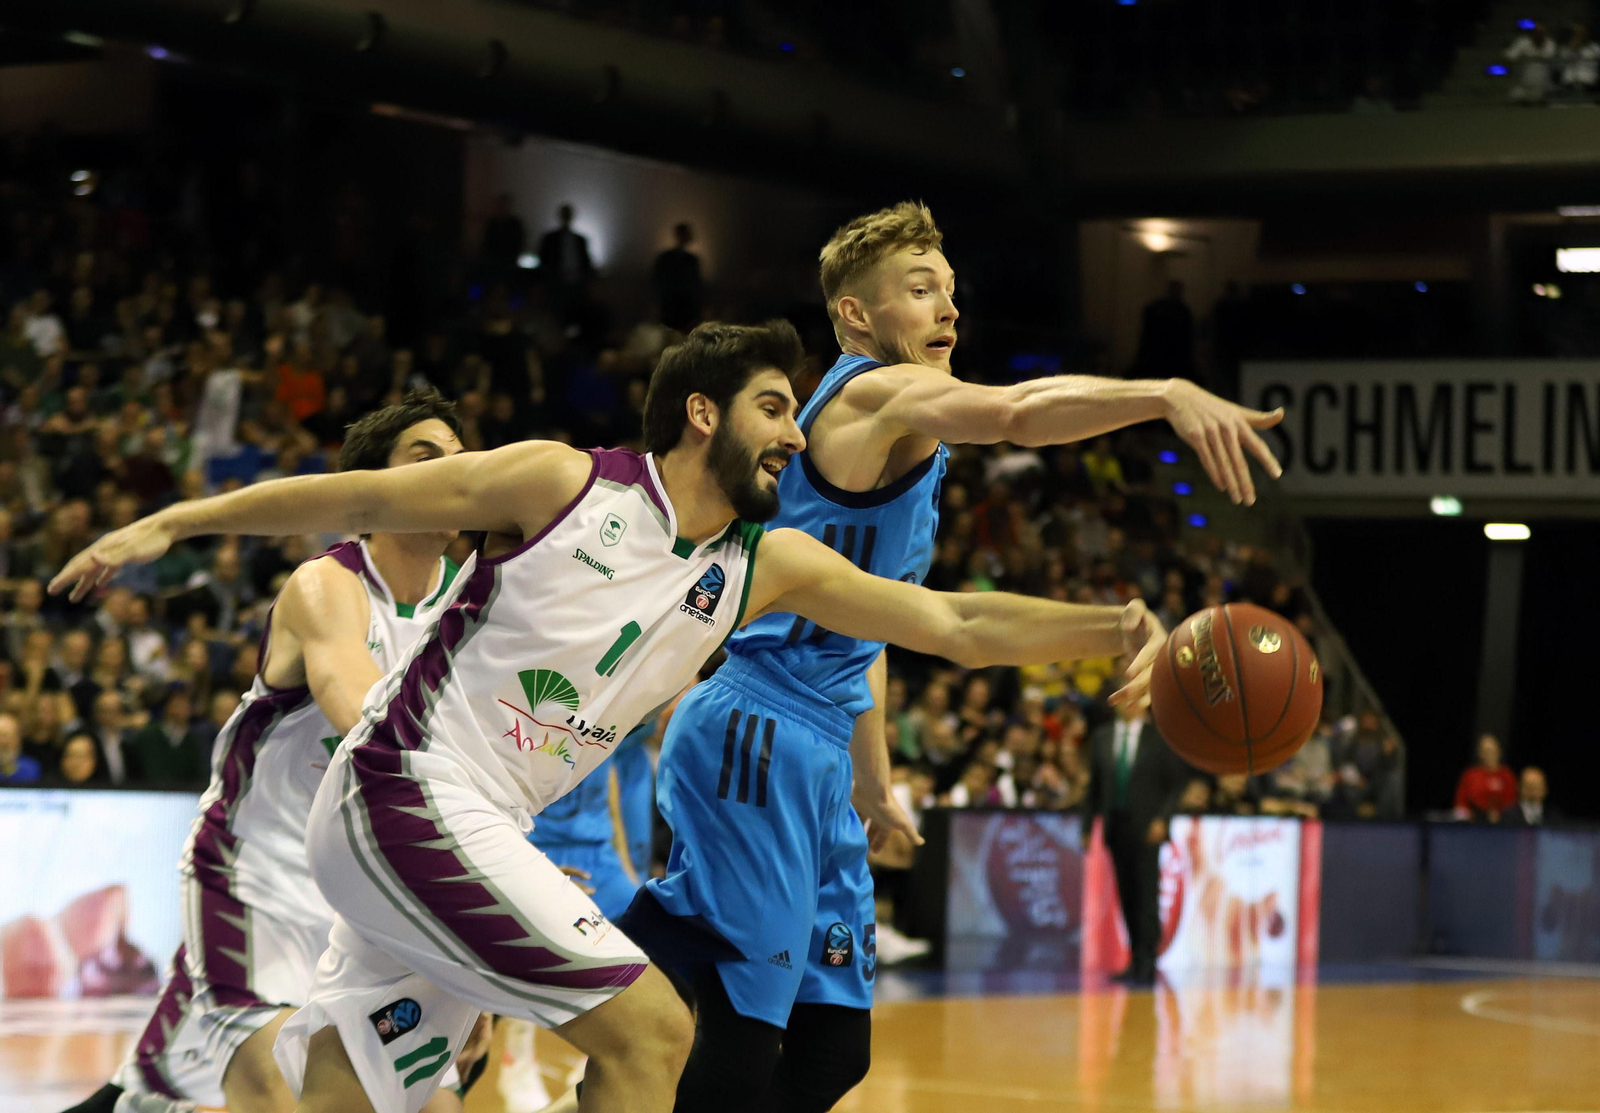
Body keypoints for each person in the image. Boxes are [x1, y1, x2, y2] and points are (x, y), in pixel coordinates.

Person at [51, 319, 1172, 1113]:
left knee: (347, 1092)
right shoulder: (563, 483)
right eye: (774, 408)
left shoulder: (762, 562)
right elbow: (358, 497)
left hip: (460, 827)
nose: (797, 434)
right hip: (406, 795)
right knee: (649, 1032)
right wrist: (173, 524)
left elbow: (956, 623)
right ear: (701, 414)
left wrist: (1117, 626)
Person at [628, 203, 1282, 1112]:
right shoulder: (869, 394)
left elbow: (883, 635)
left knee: (833, 1049)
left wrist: (875, 781)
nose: (949, 310)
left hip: (815, 743)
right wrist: (1164, 392)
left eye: (951, 291)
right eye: (920, 290)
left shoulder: (909, 448)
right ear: (857, 316)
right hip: (757, 725)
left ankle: (620, 1016)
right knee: (746, 1028)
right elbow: (1016, 415)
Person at [60, 390, 478, 1113]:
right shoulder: (327, 585)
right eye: (426, 456)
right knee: (277, 1096)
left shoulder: (472, 600)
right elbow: (375, 731)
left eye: (460, 457)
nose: (453, 470)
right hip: (261, 880)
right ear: (371, 489)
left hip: (372, 901)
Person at [500, 720, 656, 1113]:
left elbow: (613, 785)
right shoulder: (533, 706)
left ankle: (592, 1071)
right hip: (539, 845)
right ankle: (514, 1059)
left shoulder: (609, 706)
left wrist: (625, 866)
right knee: (523, 963)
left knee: (654, 952)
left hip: (597, 851)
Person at [1081, 702, 1190, 984]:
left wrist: (1163, 819)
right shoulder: (1102, 737)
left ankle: (1148, 961)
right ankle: (1133, 957)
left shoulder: (1159, 736)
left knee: (1146, 894)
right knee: (1126, 894)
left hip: (1146, 827)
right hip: (1115, 824)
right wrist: (1087, 826)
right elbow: (1094, 786)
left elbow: (1176, 784)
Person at [538, 203, 594, 315]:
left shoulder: (579, 240)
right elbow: (543, 260)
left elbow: (587, 262)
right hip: (556, 284)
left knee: (576, 313)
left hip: (577, 284)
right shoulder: (550, 239)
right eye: (565, 215)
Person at [1453, 733, 1518, 822]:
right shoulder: (1470, 775)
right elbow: (1461, 803)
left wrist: (1499, 815)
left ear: (1499, 752)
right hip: (1474, 822)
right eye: (1485, 751)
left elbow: (1511, 803)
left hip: (1502, 823)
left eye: (1492, 751)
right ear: (1480, 754)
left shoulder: (1507, 775)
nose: (1489, 754)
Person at [652, 224, 705, 333]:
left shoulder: (690, 260)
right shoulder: (667, 258)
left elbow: (697, 286)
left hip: (684, 310)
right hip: (672, 309)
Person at [1508, 22, 1557, 103]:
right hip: (1523, 83)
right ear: (1532, 33)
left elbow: (1548, 55)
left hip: (1543, 84)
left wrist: (1528, 55)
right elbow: (1510, 56)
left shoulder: (1550, 43)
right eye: (1537, 33)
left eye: (1542, 33)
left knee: (1540, 98)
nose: (1539, 36)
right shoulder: (1522, 42)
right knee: (1516, 96)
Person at [0, 710, 42, 786]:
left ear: (18, 739)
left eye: (7, 736)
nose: (3, 742)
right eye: (0, 735)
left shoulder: (31, 769)